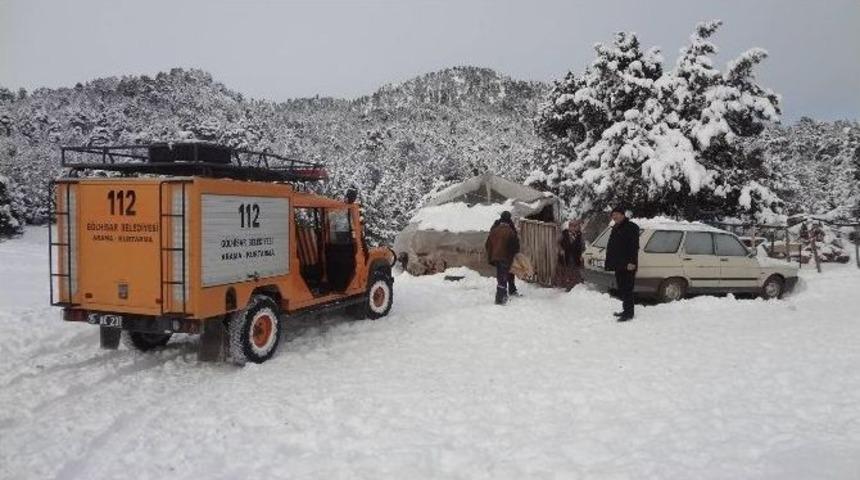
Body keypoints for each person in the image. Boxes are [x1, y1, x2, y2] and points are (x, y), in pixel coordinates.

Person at [605, 207, 639, 321]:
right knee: (622, 288)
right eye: (613, 215)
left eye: (617, 214)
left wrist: (632, 262)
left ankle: (629, 314)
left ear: (623, 214)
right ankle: (626, 310)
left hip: (628, 264)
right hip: (618, 264)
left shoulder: (632, 227)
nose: (615, 217)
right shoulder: (615, 227)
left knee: (628, 288)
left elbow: (634, 247)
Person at [485, 211, 520, 305]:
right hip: (505, 257)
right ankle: (500, 298)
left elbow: (487, 244)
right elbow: (515, 246)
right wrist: (514, 255)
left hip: (496, 256)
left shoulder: (494, 230)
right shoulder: (510, 231)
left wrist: (492, 254)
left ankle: (505, 294)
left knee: (502, 275)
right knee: (503, 276)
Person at [558, 219, 584, 291]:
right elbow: (558, 243)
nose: (573, 228)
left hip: (576, 256)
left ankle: (576, 286)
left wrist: (582, 254)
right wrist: (561, 249)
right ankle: (567, 286)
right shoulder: (564, 234)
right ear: (569, 227)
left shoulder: (579, 235)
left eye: (575, 226)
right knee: (567, 270)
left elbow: (582, 245)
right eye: (571, 226)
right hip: (566, 255)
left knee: (576, 271)